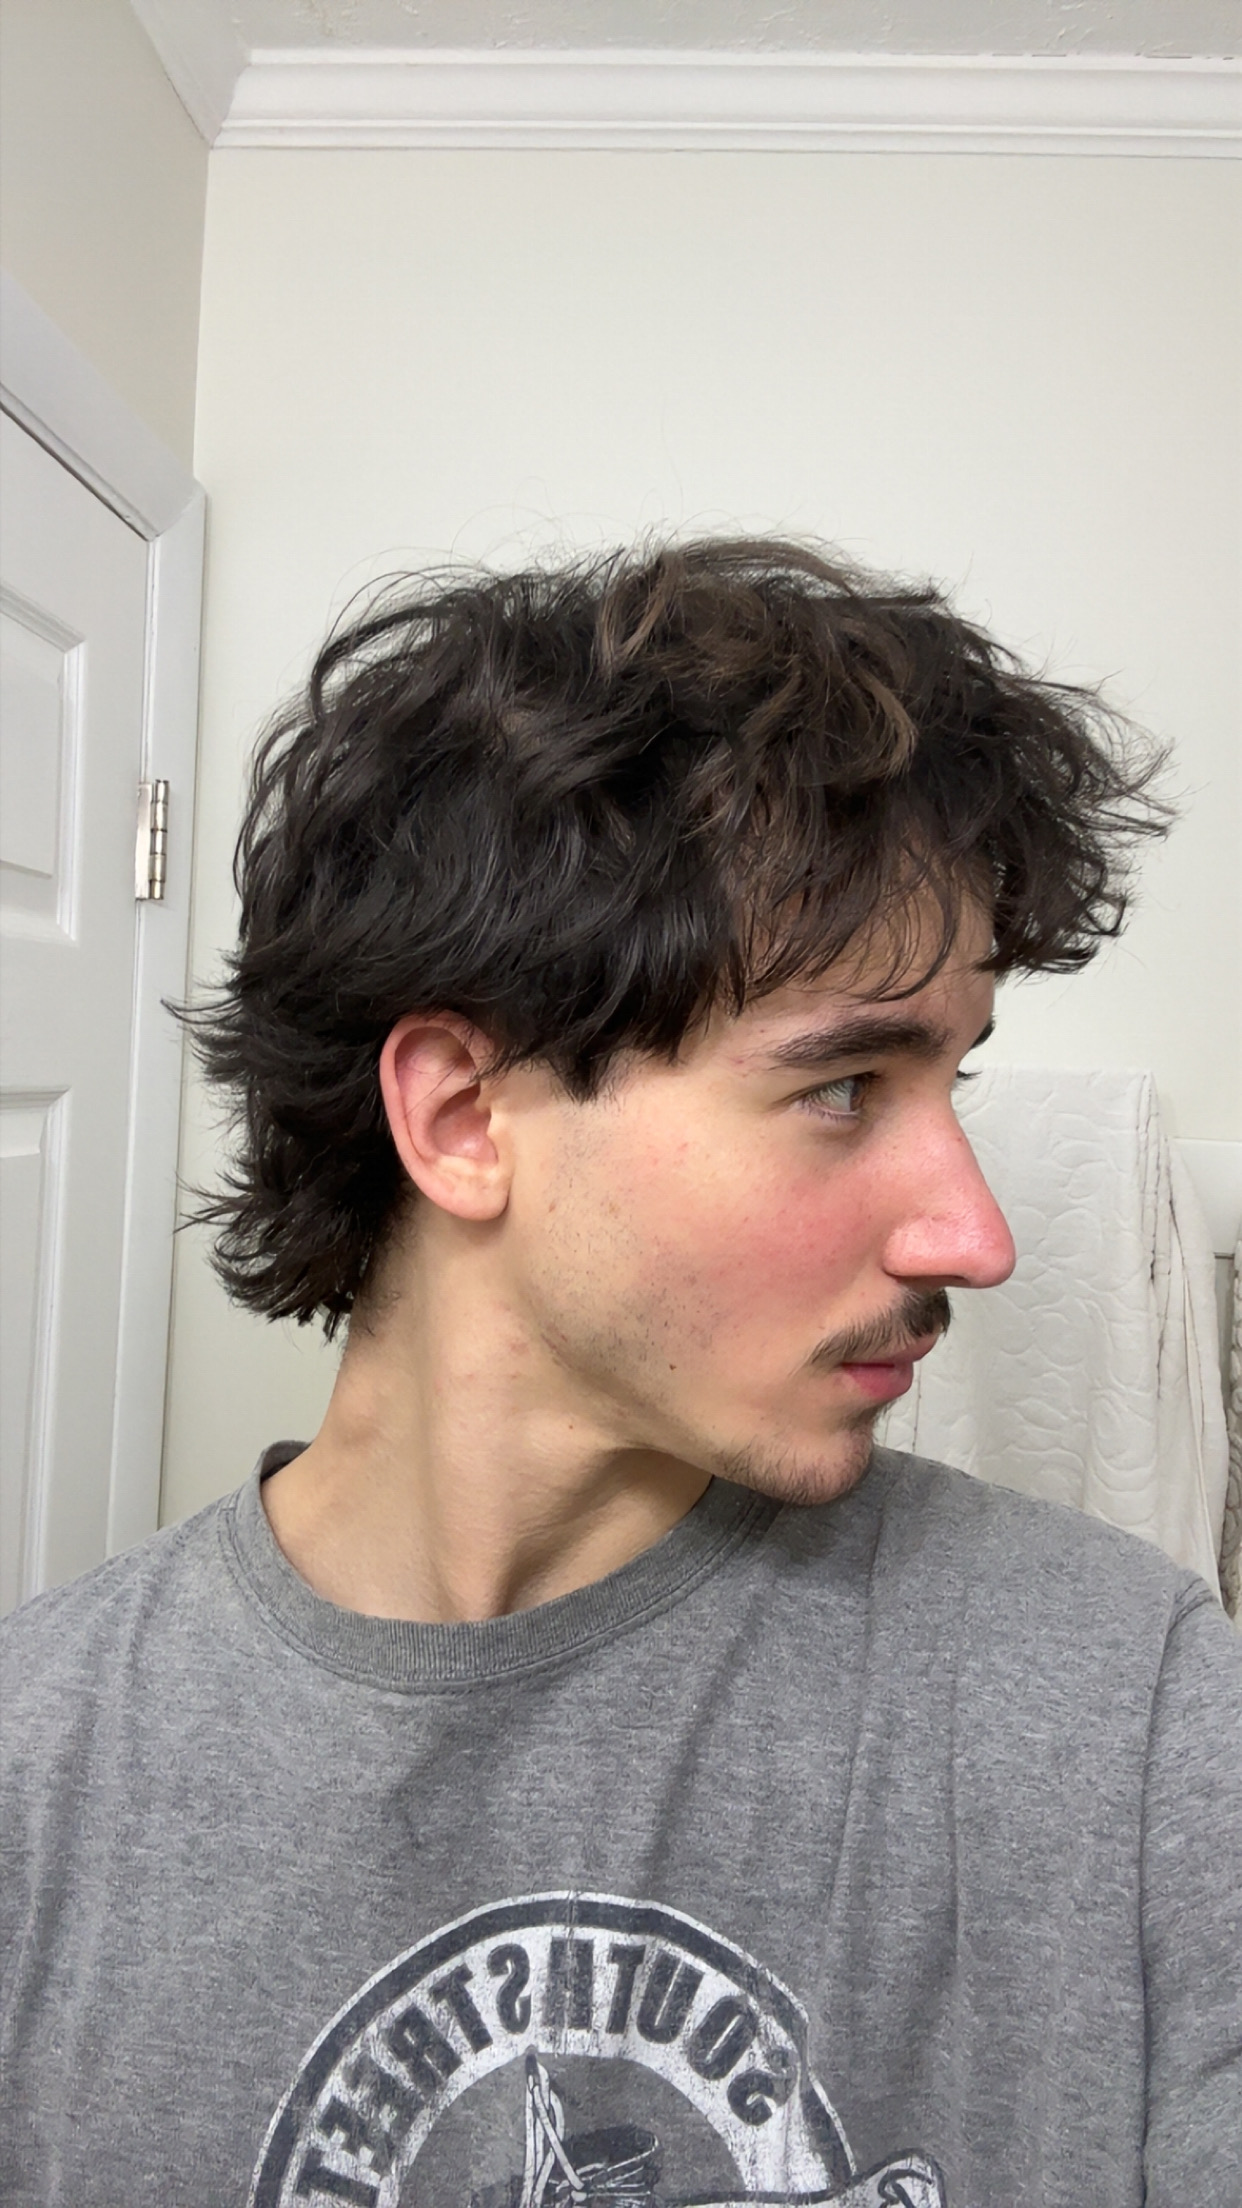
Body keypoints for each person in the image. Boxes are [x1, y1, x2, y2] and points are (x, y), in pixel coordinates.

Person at [2, 539, 1238, 2208]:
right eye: (841, 1088)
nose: (973, 1234)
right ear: (463, 1118)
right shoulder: (38, 1777)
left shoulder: (1129, 1713)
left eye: (950, 1081)